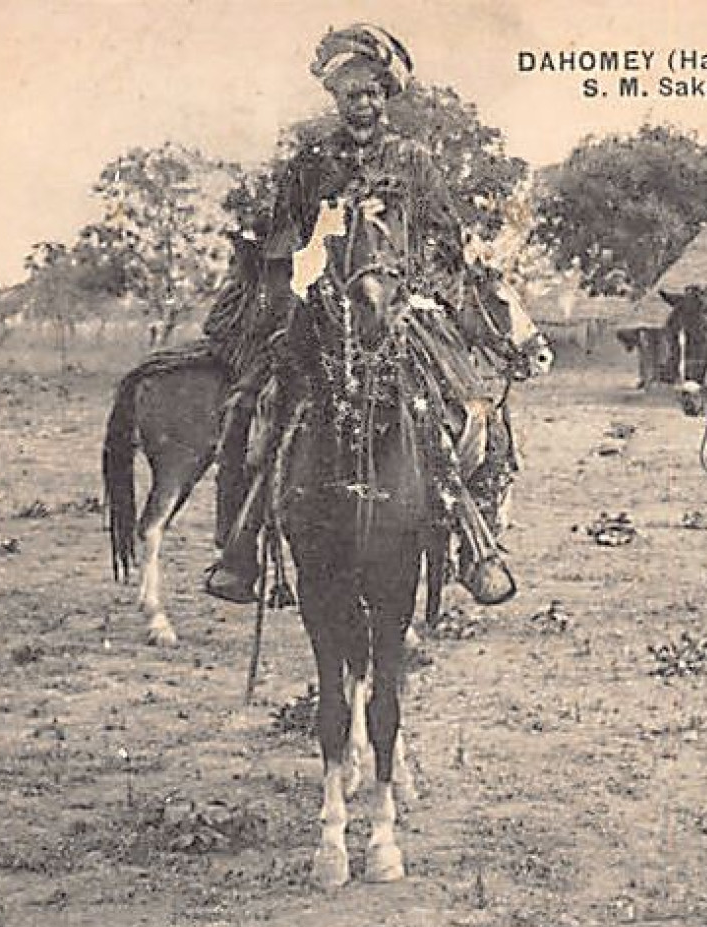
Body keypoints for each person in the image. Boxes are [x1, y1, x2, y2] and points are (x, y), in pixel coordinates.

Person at [204, 23, 517, 607]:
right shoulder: (310, 164)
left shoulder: (414, 160)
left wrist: (419, 290)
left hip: (404, 308)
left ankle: (476, 546)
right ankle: (241, 550)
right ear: (335, 97)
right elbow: (280, 242)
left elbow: (444, 240)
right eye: (352, 93)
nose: (364, 103)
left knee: (471, 411)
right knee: (250, 408)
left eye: (372, 91)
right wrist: (299, 283)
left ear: (386, 94)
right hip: (321, 312)